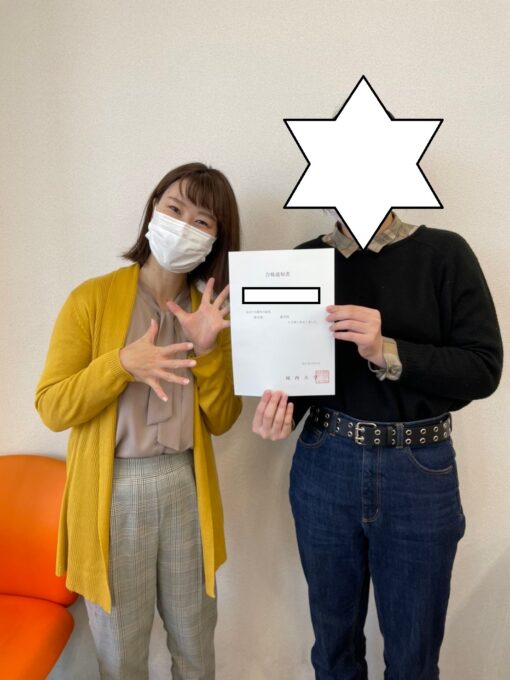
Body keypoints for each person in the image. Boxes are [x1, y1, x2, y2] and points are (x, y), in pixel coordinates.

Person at [252, 209, 503, 679]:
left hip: (419, 467)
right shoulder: (305, 261)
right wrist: (279, 414)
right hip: (325, 460)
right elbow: (297, 376)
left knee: (413, 658)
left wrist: (386, 349)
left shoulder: (445, 253)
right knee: (333, 650)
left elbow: (483, 368)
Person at [35, 162, 242, 680]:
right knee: (120, 651)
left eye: (202, 221)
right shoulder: (91, 299)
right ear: (153, 210)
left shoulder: (209, 312)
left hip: (185, 484)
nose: (184, 226)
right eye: (175, 209)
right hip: (114, 490)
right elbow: (52, 406)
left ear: (215, 240)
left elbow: (223, 419)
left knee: (195, 642)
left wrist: (208, 351)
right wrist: (121, 364)